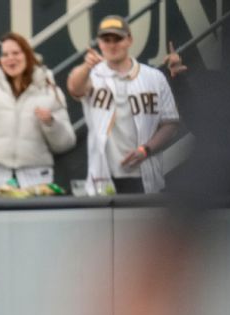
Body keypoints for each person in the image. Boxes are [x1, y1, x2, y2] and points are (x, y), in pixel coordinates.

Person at [67, 15, 181, 194]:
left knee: (144, 222)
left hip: (144, 174)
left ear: (129, 40)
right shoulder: (92, 75)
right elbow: (75, 87)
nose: (112, 45)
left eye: (118, 39)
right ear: (99, 43)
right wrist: (86, 67)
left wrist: (146, 149)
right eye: (106, 40)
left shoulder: (153, 77)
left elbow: (170, 124)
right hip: (103, 176)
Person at [0, 32, 75, 195]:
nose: (10, 59)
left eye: (16, 53)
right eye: (4, 54)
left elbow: (66, 143)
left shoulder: (49, 88)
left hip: (36, 184)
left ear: (28, 55)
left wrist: (51, 123)